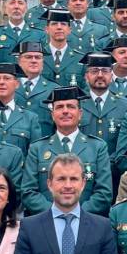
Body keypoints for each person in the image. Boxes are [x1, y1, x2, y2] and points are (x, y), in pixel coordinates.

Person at [21, 86, 113, 216]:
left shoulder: (98, 147)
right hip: (46, 222)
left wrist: (78, 214)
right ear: (52, 115)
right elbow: (28, 192)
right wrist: (54, 213)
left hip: (86, 223)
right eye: (59, 107)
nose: (65, 111)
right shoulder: (37, 148)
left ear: (80, 113)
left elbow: (104, 193)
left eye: (70, 106)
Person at [0, 0, 45, 78]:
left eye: (20, 3)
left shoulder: (39, 34)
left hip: (30, 88)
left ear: (26, 8)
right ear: (5, 9)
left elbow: (45, 65)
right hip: (2, 88)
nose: (16, 6)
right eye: (12, 3)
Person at [0, 62, 42, 155]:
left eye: (7, 78)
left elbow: (35, 155)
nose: (1, 82)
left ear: (17, 84)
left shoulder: (30, 118)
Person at [13, 41, 59, 136]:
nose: (34, 60)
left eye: (38, 57)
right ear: (19, 61)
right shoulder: (8, 86)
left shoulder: (54, 89)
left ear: (42, 62)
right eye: (28, 57)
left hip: (43, 146)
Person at [41, 9, 86, 88]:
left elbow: (86, 89)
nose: (59, 27)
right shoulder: (38, 57)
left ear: (69, 30)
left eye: (63, 24)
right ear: (46, 29)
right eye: (54, 24)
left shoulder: (81, 59)